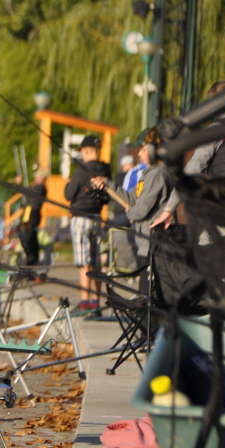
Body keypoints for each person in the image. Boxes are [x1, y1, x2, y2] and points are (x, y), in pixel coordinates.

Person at [151, 79, 225, 230]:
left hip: (223, 211)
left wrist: (169, 208)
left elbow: (193, 169)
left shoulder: (216, 130)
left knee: (209, 249)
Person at [92, 128, 172, 277]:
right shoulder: (148, 174)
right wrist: (107, 183)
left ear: (156, 150)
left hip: (154, 244)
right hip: (145, 244)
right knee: (144, 291)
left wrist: (130, 211)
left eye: (143, 149)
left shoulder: (157, 174)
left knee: (149, 293)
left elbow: (140, 211)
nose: (139, 153)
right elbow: (130, 198)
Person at [64, 135, 111, 312]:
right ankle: (96, 302)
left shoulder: (81, 170)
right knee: (97, 260)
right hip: (97, 218)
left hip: (80, 219)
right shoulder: (105, 169)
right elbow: (107, 198)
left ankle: (84, 301)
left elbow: (69, 195)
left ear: (85, 151)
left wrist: (67, 184)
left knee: (84, 261)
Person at [18, 171, 47, 266]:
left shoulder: (41, 188)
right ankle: (31, 258)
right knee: (25, 235)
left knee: (28, 236)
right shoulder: (36, 188)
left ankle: (32, 259)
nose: (36, 178)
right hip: (28, 213)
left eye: (38, 177)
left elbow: (28, 191)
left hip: (33, 214)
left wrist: (20, 183)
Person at [112, 155, 136, 228]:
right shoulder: (125, 177)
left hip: (121, 211)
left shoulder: (117, 177)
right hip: (122, 211)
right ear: (125, 164)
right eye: (132, 164)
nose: (134, 166)